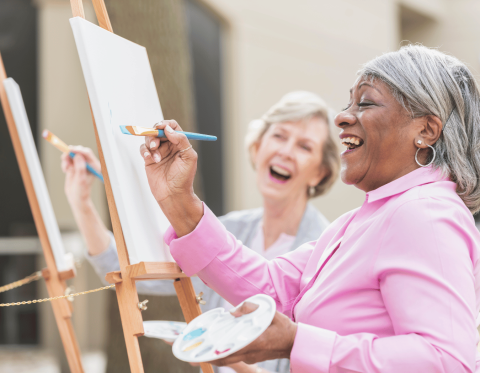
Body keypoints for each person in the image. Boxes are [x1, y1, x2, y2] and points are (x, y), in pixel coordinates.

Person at [139, 44, 480, 372]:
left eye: (365, 103)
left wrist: (297, 342)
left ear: (426, 130)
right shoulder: (361, 221)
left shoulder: (424, 214)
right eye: (349, 102)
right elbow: (270, 287)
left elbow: (447, 361)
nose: (342, 117)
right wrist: (179, 200)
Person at [61, 91, 340, 373]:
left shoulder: (326, 254)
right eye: (279, 136)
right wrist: (82, 203)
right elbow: (127, 270)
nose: (286, 152)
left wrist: (218, 350)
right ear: (258, 147)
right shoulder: (225, 231)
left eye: (304, 146)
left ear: (321, 173)